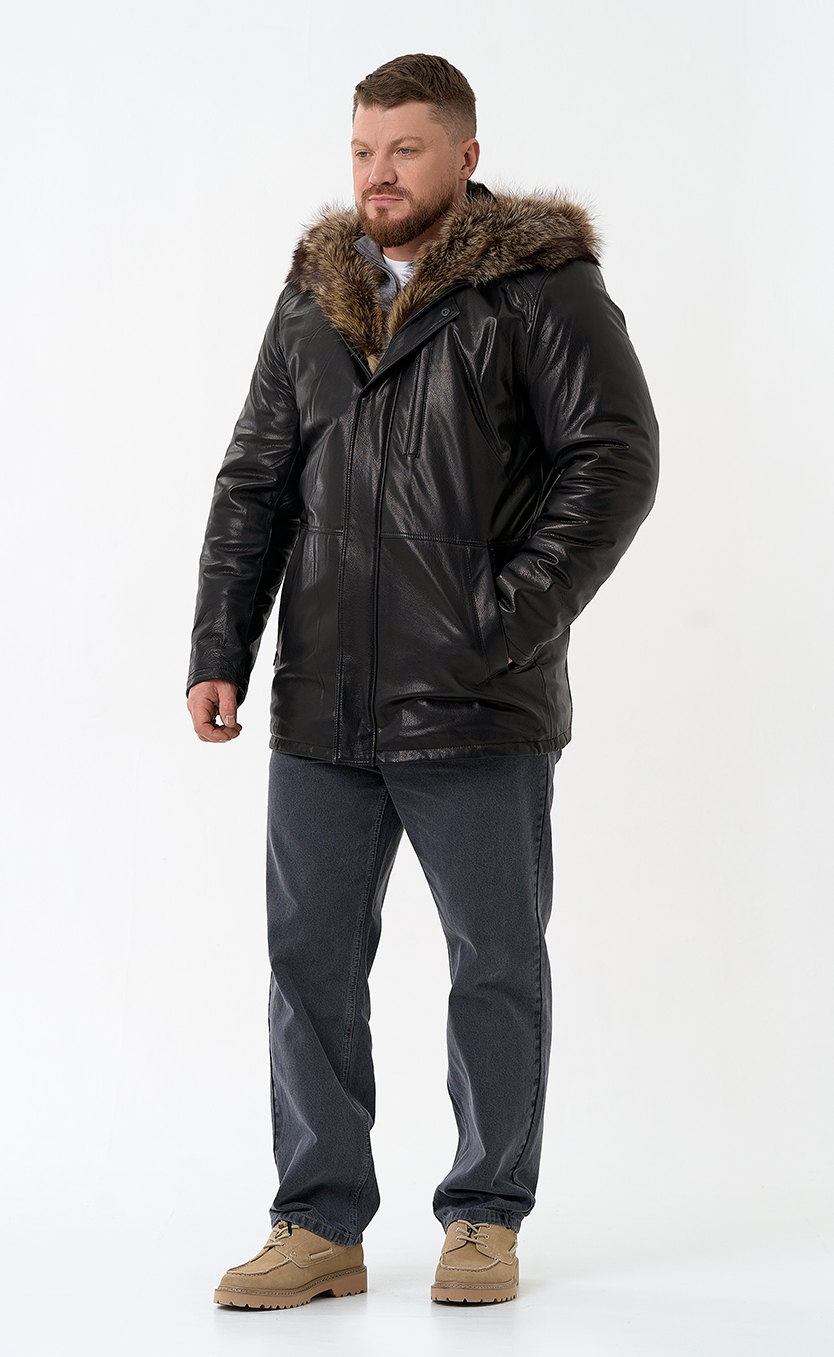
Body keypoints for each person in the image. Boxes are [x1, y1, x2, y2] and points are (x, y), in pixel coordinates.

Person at [187, 53, 659, 1309]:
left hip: (476, 703)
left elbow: (612, 459)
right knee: (308, 964)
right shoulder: (313, 294)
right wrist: (221, 647)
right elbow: (254, 479)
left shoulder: (537, 286)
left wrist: (500, 624)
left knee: (491, 962)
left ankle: (484, 1218)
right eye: (361, 150)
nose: (377, 174)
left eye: (403, 148)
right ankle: (317, 1222)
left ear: (464, 154)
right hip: (321, 699)